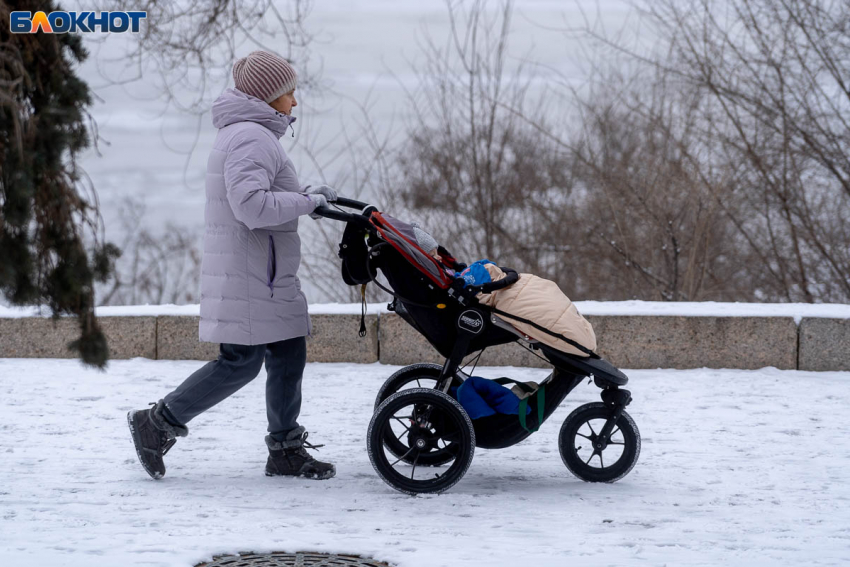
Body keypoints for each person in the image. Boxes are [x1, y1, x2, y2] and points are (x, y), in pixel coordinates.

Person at [127, 51, 336, 481]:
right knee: (240, 361)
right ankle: (156, 422)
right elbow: (252, 207)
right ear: (267, 95)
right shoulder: (251, 137)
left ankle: (285, 450)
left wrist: (307, 197)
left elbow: (263, 193)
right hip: (253, 275)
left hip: (264, 272)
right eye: (288, 92)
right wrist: (309, 202)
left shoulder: (248, 134)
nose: (294, 102)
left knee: (287, 350)